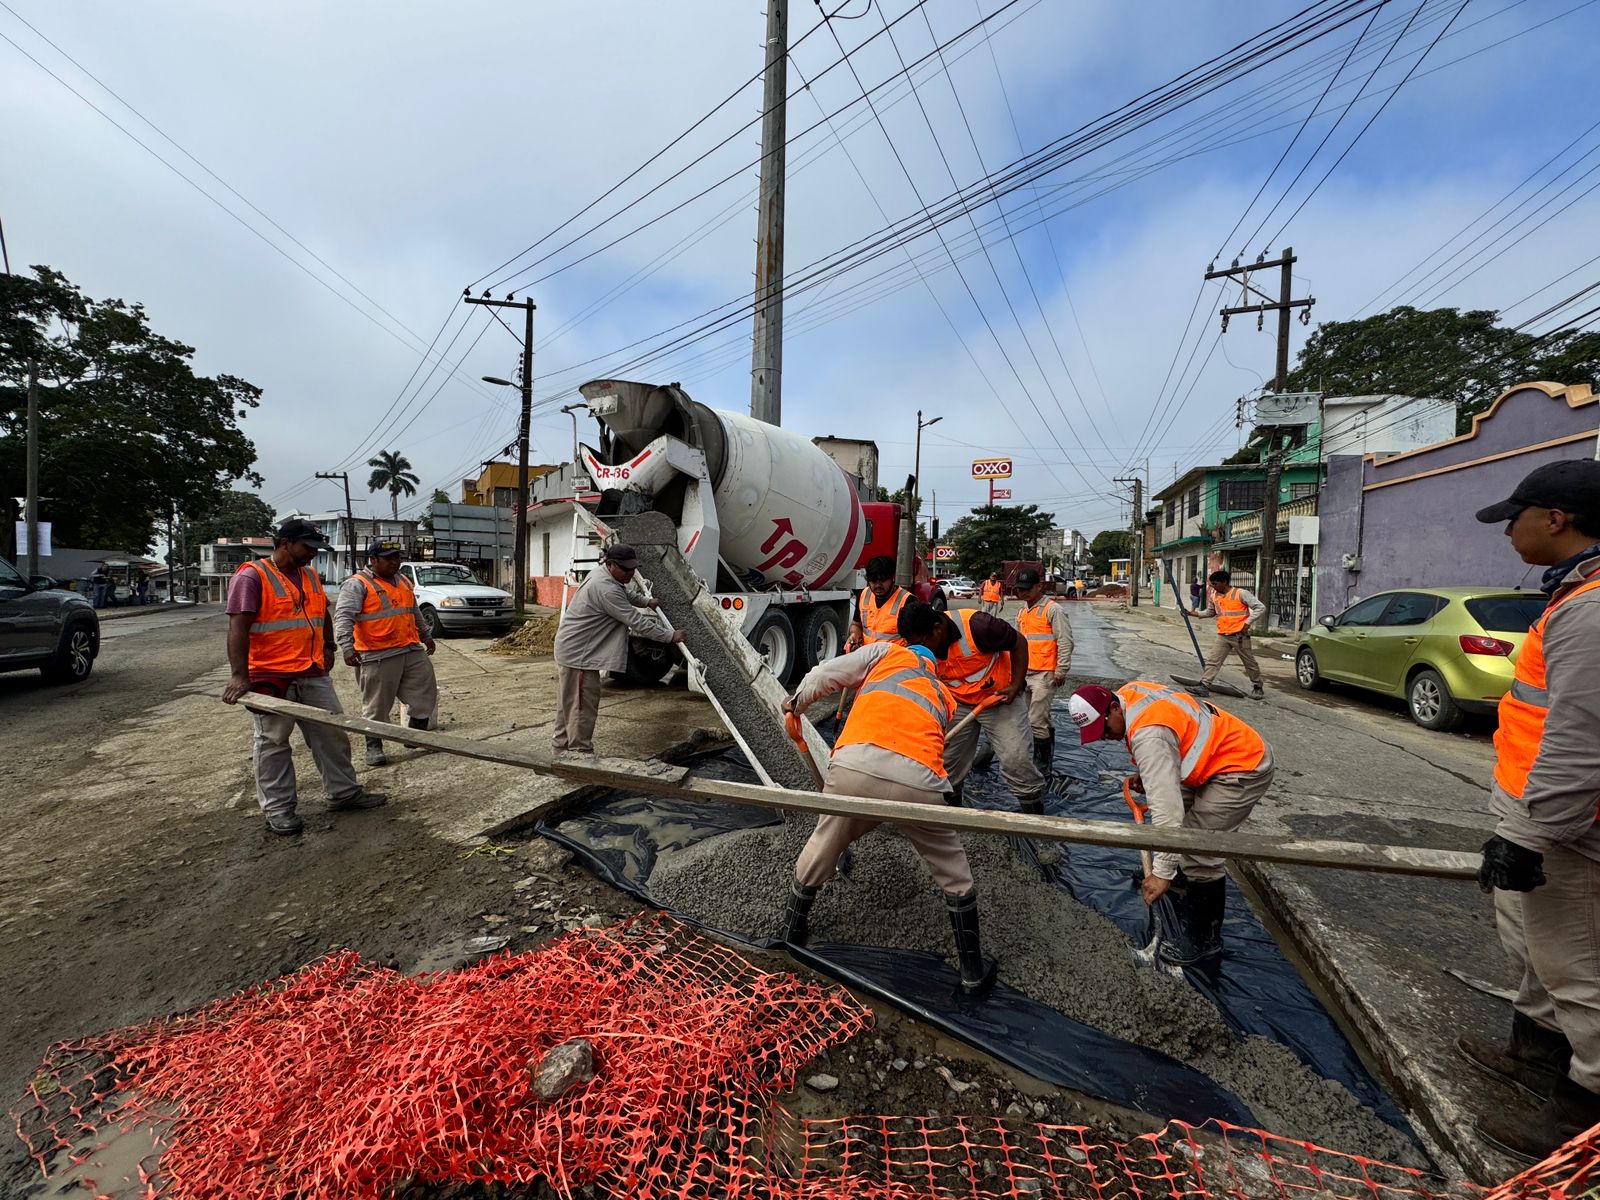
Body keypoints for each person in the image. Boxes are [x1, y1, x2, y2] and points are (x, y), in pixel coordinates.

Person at [1456, 459, 1600, 1162]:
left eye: (1516, 516)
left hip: (1569, 822)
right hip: (1538, 805)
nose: (1508, 529)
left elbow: (1580, 737)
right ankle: (1533, 1053)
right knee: (1536, 950)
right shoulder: (1571, 593)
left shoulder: (1592, 607)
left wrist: (1527, 834)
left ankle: (1581, 1120)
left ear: (1556, 519)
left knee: (1579, 969)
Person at [778, 599, 995, 993]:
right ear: (933, 653)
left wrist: (796, 704)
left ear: (904, 641)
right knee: (953, 869)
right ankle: (971, 971)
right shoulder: (943, 693)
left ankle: (791, 931)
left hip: (853, 768)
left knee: (826, 839)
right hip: (920, 781)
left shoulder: (884, 654)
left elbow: (827, 674)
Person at [1068, 680, 1273, 964]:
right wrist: (1152, 772)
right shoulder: (1130, 695)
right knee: (1182, 835)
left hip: (1241, 766)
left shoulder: (1149, 735)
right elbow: (1169, 740)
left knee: (1200, 849)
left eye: (1103, 730)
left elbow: (1167, 813)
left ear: (1114, 707)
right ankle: (1179, 874)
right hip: (1211, 756)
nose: (1103, 737)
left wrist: (1161, 872)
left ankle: (1205, 939)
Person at [221, 518, 385, 836]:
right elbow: (237, 627)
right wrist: (239, 676)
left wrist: (327, 647)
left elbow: (320, 611)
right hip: (270, 674)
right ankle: (279, 810)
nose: (313, 554)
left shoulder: (309, 574)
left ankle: (344, 793)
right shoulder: (252, 576)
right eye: (307, 548)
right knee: (273, 742)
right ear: (285, 543)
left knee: (332, 733)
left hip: (311, 670)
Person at [551, 543, 684, 758]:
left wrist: (647, 601)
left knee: (569, 703)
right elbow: (636, 622)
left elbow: (625, 592)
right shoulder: (605, 589)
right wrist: (670, 636)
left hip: (573, 649)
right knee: (582, 707)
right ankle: (579, 755)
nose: (630, 574)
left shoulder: (603, 574)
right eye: (625, 570)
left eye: (633, 569)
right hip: (579, 656)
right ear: (610, 564)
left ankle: (561, 749)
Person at [334, 540, 438, 767]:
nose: (395, 562)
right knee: (377, 705)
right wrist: (347, 647)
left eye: (397, 557)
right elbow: (343, 617)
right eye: (389, 558)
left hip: (409, 647)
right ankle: (374, 746)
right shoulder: (357, 585)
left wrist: (425, 635)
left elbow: (413, 610)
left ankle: (415, 734)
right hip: (377, 654)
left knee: (425, 689)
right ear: (373, 560)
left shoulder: (402, 580)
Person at [935, 605, 1046, 815]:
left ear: (937, 629)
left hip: (999, 699)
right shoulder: (917, 642)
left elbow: (1019, 642)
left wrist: (1016, 685)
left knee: (1017, 759)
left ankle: (1034, 817)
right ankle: (951, 814)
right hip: (958, 703)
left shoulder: (979, 626)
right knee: (948, 762)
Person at [1014, 567, 1074, 770]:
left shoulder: (1053, 610)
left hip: (1045, 673)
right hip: (1027, 672)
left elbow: (1065, 641)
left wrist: (1061, 670)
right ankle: (1044, 757)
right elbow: (1018, 642)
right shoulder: (1023, 611)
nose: (1023, 593)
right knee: (1038, 717)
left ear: (1039, 587)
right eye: (1020, 590)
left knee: (1036, 720)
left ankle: (1042, 764)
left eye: (1027, 589)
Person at [1187, 569, 1266, 700]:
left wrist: (1248, 622)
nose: (1213, 587)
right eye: (1212, 584)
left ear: (1224, 582)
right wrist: (1193, 613)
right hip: (1223, 635)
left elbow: (1260, 607)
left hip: (1240, 635)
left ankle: (1258, 686)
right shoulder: (1215, 596)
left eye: (1216, 584)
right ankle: (1204, 686)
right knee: (1213, 661)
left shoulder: (1240, 593)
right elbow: (1210, 612)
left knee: (1249, 663)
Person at [846, 555, 909, 651]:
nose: (878, 585)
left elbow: (916, 640)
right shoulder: (863, 595)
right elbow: (856, 625)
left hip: (894, 659)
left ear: (893, 577)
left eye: (883, 580)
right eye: (873, 581)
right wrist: (854, 634)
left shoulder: (907, 601)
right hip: (866, 657)